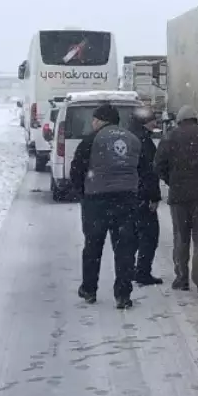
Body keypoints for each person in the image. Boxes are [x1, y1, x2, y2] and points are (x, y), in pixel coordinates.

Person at [68, 103, 140, 309]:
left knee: (93, 247)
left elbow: (77, 169)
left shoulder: (91, 140)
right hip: (126, 200)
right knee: (124, 248)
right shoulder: (133, 139)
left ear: (100, 120)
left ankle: (89, 290)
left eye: (94, 119)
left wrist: (83, 194)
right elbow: (144, 169)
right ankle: (123, 294)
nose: (92, 123)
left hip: (96, 201)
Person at [154, 105, 198, 297]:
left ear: (179, 120)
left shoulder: (170, 136)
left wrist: (171, 181)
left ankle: (181, 278)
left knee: (181, 237)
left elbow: (158, 164)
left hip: (179, 197)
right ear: (195, 119)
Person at [127, 109, 164, 287]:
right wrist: (154, 197)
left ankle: (128, 269)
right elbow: (150, 173)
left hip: (128, 194)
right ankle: (142, 272)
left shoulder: (128, 138)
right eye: (152, 121)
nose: (155, 124)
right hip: (142, 195)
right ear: (144, 123)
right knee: (149, 235)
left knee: (131, 235)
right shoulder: (145, 142)